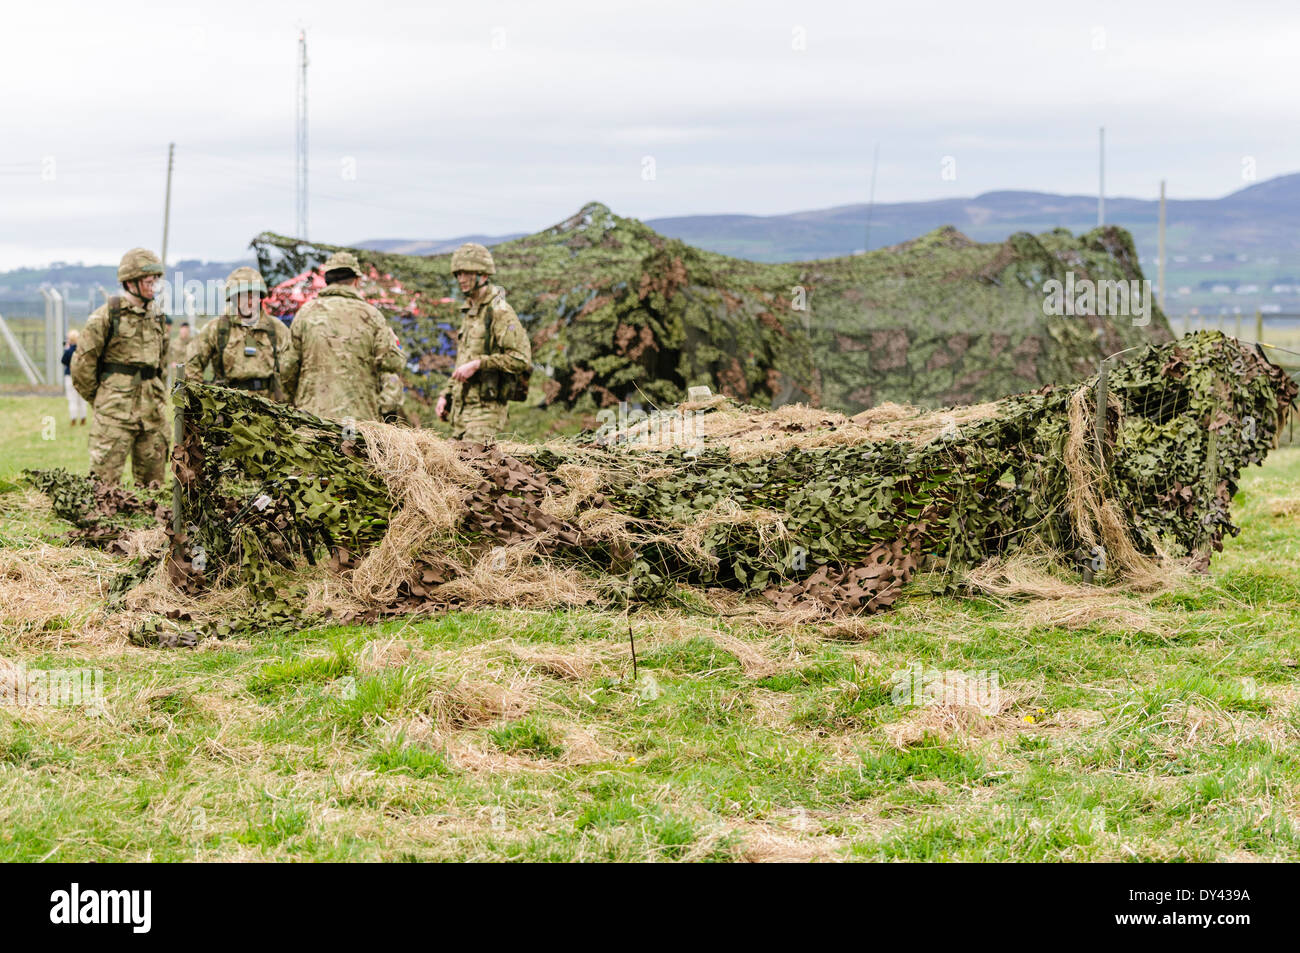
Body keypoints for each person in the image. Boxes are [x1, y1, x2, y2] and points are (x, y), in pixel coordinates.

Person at [70, 248, 170, 485]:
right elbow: (82, 365)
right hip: (114, 412)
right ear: (131, 282)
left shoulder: (157, 317)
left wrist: (157, 394)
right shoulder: (105, 316)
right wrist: (103, 398)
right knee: (103, 484)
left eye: (156, 280)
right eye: (148, 280)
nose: (154, 285)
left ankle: (150, 523)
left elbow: (162, 364)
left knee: (153, 485)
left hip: (152, 412)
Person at [281, 251, 400, 422]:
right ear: (356, 280)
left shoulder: (306, 314)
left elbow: (287, 368)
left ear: (326, 280)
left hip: (312, 419)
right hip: (362, 423)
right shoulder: (372, 316)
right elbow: (390, 369)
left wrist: (296, 402)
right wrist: (387, 415)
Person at [435, 243, 530, 441]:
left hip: (486, 414)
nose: (461, 279)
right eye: (458, 274)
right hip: (461, 414)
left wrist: (480, 363)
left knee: (472, 468)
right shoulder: (471, 311)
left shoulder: (499, 311)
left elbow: (521, 359)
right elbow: (463, 362)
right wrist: (446, 395)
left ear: (483, 275)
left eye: (467, 273)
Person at [185, 267, 293, 401]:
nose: (249, 301)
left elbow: (292, 370)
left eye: (253, 295)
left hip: (269, 408)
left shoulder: (277, 329)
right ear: (234, 298)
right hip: (228, 409)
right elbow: (192, 365)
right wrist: (202, 400)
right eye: (243, 296)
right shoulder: (217, 328)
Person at [61, 330, 87, 426]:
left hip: (70, 376)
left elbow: (64, 361)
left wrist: (67, 350)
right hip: (82, 376)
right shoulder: (82, 350)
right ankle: (83, 418)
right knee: (82, 399)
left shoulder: (69, 351)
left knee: (72, 399)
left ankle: (73, 419)